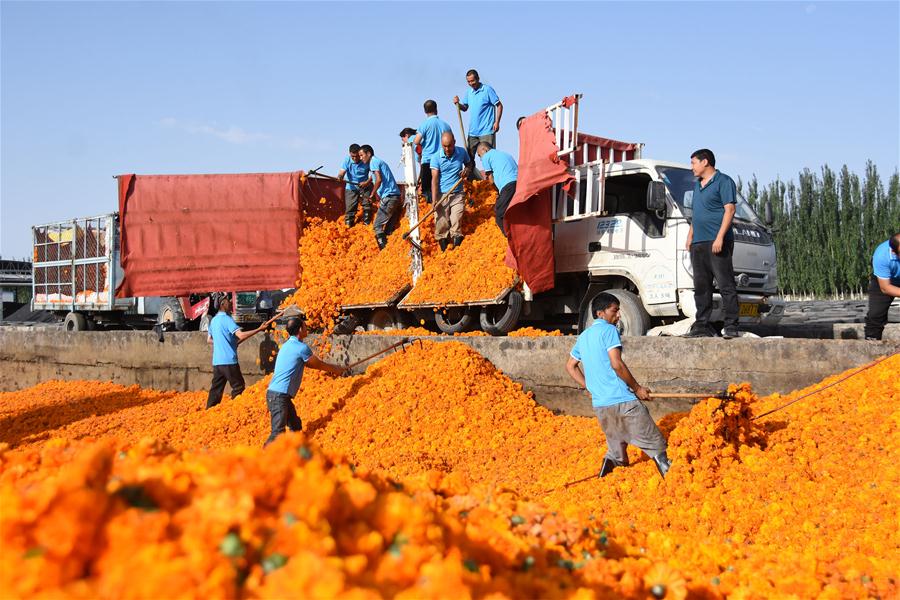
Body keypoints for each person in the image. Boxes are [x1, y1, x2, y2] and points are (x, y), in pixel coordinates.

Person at [565, 292, 670, 479]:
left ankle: (604, 478)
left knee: (616, 453)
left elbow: (570, 366)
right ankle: (675, 482)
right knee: (657, 446)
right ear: (600, 313)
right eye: (614, 311)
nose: (619, 315)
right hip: (624, 403)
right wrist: (637, 388)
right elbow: (616, 364)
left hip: (601, 407)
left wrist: (590, 387)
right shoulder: (609, 331)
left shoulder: (583, 336)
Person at [683, 148, 740, 339]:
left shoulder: (724, 181)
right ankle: (702, 325)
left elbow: (729, 210)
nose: (692, 167)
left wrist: (720, 237)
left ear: (705, 162)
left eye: (693, 163)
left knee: (725, 284)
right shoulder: (697, 186)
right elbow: (696, 214)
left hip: (717, 242)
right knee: (701, 286)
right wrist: (690, 235)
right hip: (698, 243)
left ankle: (731, 325)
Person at [265, 315, 345, 445]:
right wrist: (335, 369)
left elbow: (308, 364)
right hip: (278, 396)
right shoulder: (301, 348)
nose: (306, 327)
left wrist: (332, 370)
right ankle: (262, 459)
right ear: (300, 330)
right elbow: (318, 364)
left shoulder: (288, 345)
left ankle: (293, 453)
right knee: (278, 433)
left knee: (296, 426)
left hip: (278, 394)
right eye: (304, 326)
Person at [206, 294, 280, 409]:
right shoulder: (227, 320)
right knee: (238, 387)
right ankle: (236, 410)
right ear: (222, 304)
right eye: (228, 301)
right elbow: (240, 335)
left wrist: (225, 343)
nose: (230, 302)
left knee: (216, 389)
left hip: (217, 363)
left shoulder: (214, 321)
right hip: (229, 362)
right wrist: (259, 329)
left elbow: (209, 340)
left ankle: (209, 410)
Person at [430, 131, 471, 251]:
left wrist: (467, 170)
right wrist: (434, 200)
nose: (447, 149)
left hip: (457, 193)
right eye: (444, 146)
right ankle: (444, 251)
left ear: (454, 142)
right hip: (442, 195)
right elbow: (435, 180)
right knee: (441, 223)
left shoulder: (462, 152)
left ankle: (457, 250)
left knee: (456, 220)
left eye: (449, 146)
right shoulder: (436, 158)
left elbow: (469, 164)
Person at [359, 144, 401, 250]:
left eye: (361, 155)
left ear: (368, 154)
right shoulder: (376, 162)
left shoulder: (373, 162)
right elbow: (373, 177)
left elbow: (378, 179)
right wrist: (367, 182)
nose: (360, 158)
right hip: (394, 197)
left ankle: (384, 252)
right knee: (388, 229)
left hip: (389, 197)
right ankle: (390, 248)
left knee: (377, 226)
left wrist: (372, 194)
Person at [453, 69, 503, 158]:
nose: (471, 83)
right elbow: (465, 108)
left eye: (472, 81)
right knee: (469, 159)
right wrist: (457, 104)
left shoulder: (487, 90)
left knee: (488, 157)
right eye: (468, 81)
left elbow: (499, 105)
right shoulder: (469, 92)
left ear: (478, 79)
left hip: (486, 131)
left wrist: (497, 122)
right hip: (473, 132)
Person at [413, 100, 452, 203]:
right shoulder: (445, 125)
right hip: (442, 160)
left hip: (428, 161)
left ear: (425, 111)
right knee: (441, 187)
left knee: (428, 190)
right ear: (436, 109)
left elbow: (416, 141)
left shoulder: (425, 125)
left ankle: (431, 208)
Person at [864, 233, 900, 340]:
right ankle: (872, 343)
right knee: (876, 315)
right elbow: (886, 288)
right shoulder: (881, 256)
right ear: (895, 252)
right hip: (886, 280)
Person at [476, 142, 518, 233]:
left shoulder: (486, 157)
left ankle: (511, 238)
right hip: (519, 184)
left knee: (499, 214)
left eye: (479, 155)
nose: (480, 159)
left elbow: (491, 180)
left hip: (508, 186)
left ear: (484, 150)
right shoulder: (506, 154)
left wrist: (498, 192)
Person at [337, 143, 372, 227]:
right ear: (350, 154)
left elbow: (374, 174)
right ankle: (349, 227)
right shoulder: (347, 160)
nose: (355, 158)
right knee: (350, 209)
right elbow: (342, 172)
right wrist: (340, 176)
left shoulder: (365, 160)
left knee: (367, 206)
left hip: (365, 186)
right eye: (353, 156)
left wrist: (367, 182)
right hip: (351, 187)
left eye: (357, 156)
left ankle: (366, 226)